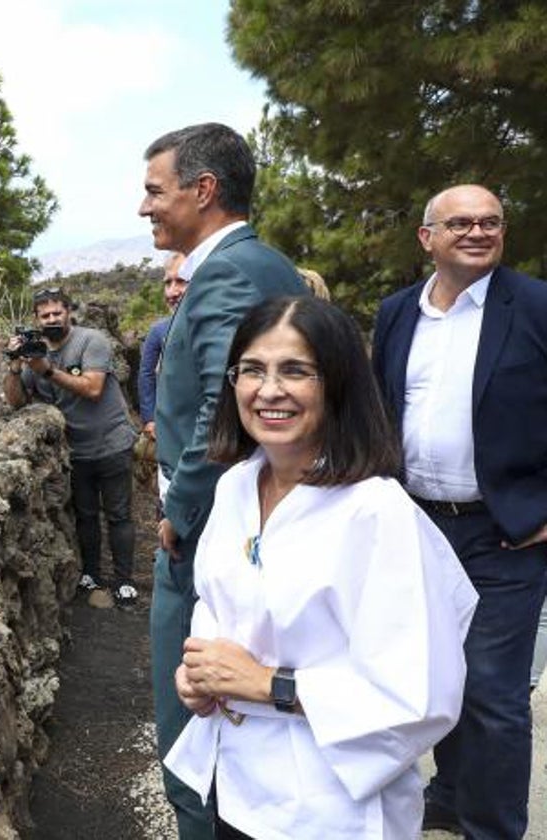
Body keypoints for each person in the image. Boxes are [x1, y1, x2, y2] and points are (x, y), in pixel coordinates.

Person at [165, 295, 476, 839]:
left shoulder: (377, 514)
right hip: (237, 787)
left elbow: (420, 695)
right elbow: (217, 605)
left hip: (327, 810)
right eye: (253, 370)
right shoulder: (237, 485)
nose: (269, 391)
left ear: (337, 384)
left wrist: (270, 685)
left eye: (295, 371)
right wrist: (198, 674)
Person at [137, 122, 307, 839]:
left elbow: (223, 405)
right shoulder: (258, 265)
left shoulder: (231, 272)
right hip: (241, 527)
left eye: (154, 190)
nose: (145, 209)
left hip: (211, 537)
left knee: (192, 737)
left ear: (203, 190)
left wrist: (180, 511)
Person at [372, 184, 547, 839]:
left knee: (493, 694)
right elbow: (379, 411)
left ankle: (494, 827)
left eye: (491, 222)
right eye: (461, 223)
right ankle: (448, 794)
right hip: (416, 527)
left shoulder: (534, 306)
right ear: (428, 238)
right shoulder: (397, 314)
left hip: (507, 532)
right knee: (437, 677)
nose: (477, 232)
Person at [3, 286, 140, 606]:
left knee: (118, 515)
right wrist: (13, 364)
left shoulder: (92, 341)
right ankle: (91, 573)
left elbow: (93, 388)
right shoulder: (35, 355)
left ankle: (124, 580)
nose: (52, 319)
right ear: (36, 320)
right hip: (75, 451)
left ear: (69, 313)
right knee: (86, 515)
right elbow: (16, 402)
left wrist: (46, 370)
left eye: (57, 312)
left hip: (112, 443)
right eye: (45, 315)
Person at [137, 251, 187, 438]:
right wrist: (150, 418)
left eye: (181, 281)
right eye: (168, 283)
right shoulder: (158, 331)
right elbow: (146, 374)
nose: (172, 292)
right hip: (170, 428)